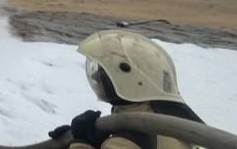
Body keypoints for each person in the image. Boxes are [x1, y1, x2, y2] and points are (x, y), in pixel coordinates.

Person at [50, 29, 205, 149]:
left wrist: (81, 142)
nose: (96, 76)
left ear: (132, 80)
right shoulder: (174, 119)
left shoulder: (128, 141)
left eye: (104, 72)